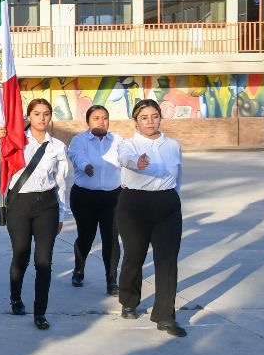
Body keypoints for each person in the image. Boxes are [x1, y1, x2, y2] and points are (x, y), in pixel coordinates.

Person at [0, 98, 72, 331]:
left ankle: (40, 312)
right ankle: (16, 298)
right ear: (28, 116)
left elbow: (61, 182)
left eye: (46, 113)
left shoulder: (57, 146)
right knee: (21, 254)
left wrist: (61, 214)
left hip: (47, 205)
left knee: (44, 261)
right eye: (37, 113)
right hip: (19, 203)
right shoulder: (16, 140)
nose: (42, 118)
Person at [112, 99, 186, 337]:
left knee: (167, 259)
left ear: (160, 118)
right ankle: (129, 300)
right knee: (135, 254)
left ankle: (165, 315)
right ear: (136, 122)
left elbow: (179, 176)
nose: (150, 121)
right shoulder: (128, 144)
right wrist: (138, 163)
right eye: (144, 117)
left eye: (154, 116)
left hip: (167, 205)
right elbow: (125, 160)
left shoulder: (173, 145)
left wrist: (175, 199)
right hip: (134, 204)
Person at [68, 105, 122, 295]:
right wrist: (85, 166)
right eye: (96, 118)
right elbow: (76, 155)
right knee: (86, 236)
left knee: (111, 238)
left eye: (105, 118)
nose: (101, 121)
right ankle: (79, 268)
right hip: (84, 197)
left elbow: (127, 157)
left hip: (113, 197)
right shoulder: (79, 140)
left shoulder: (117, 140)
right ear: (88, 121)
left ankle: (111, 279)